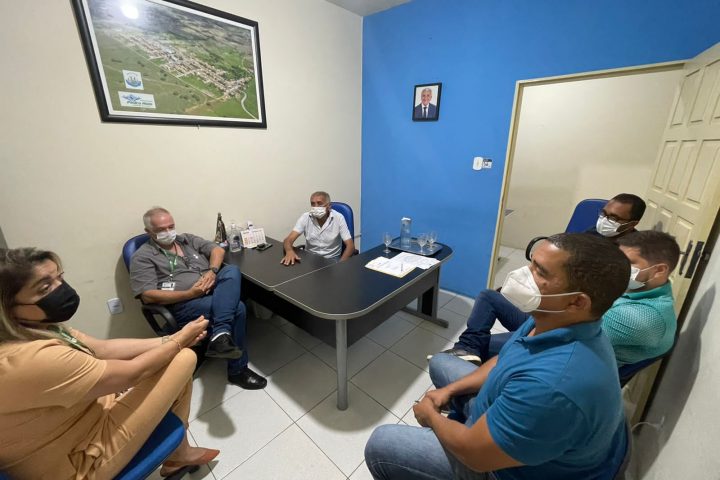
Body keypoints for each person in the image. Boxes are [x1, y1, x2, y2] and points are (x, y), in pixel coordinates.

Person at [366, 233, 630, 480]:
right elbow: (503, 361)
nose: (523, 274)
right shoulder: (552, 320)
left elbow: (476, 456)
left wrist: (431, 418)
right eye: (531, 263)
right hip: (501, 411)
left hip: (500, 469)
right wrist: (449, 390)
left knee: (382, 443)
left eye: (540, 271)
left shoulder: (553, 386)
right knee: (441, 362)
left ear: (577, 302)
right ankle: (460, 418)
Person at [0, 247, 218, 479]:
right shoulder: (29, 358)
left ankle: (179, 453)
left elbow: (103, 349)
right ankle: (180, 453)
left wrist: (172, 338)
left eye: (59, 277)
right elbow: (133, 373)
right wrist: (179, 341)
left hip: (85, 419)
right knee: (182, 358)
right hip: (78, 462)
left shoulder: (38, 328)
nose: (60, 288)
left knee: (170, 358)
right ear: (7, 307)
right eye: (45, 287)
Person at [437, 230, 678, 367]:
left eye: (628, 263)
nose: (620, 270)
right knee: (489, 297)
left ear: (659, 270)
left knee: (462, 354)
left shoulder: (639, 319)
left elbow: (560, 336)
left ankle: (470, 356)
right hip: (557, 327)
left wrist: (535, 300)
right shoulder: (636, 289)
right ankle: (468, 349)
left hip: (557, 347)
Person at [130, 207, 266, 389]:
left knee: (231, 270)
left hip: (213, 289)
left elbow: (217, 250)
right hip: (185, 303)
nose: (168, 232)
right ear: (148, 231)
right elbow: (147, 296)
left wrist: (212, 271)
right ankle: (237, 370)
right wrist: (190, 294)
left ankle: (220, 333)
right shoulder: (142, 257)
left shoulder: (186, 239)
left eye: (171, 226)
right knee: (238, 308)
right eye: (161, 229)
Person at [281, 191, 355, 265]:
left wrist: (340, 265)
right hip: (310, 258)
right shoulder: (305, 217)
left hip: (332, 259)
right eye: (313, 204)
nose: (316, 207)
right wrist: (289, 251)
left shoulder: (338, 218)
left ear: (329, 206)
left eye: (319, 203)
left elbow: (350, 246)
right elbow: (288, 240)